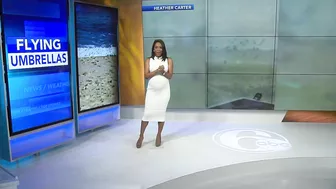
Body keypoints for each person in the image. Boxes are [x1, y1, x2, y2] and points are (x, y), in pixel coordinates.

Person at [136, 39, 174, 148]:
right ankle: (141, 136)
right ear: (153, 48)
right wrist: (157, 71)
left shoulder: (169, 60)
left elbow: (170, 76)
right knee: (147, 113)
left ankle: (159, 135)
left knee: (161, 114)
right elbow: (146, 75)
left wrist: (163, 72)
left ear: (163, 49)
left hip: (164, 91)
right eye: (156, 47)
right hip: (152, 91)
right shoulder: (149, 60)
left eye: (160, 47)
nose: (158, 49)